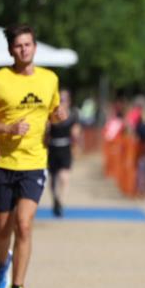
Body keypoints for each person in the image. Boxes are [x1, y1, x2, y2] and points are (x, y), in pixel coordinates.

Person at [0, 24, 67, 288]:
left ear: (35, 47)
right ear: (10, 50)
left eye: (28, 44)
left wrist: (59, 115)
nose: (24, 49)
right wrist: (7, 128)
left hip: (34, 162)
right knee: (3, 228)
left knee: (24, 224)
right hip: (2, 162)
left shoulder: (49, 79)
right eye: (18, 45)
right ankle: (2, 262)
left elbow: (53, 113)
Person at [47, 89, 81, 217]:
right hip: (52, 148)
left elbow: (76, 133)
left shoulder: (73, 115)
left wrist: (76, 146)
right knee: (53, 178)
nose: (62, 102)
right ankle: (55, 199)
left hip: (66, 147)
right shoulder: (51, 114)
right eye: (60, 99)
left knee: (64, 177)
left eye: (65, 100)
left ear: (69, 101)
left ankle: (60, 202)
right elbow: (46, 133)